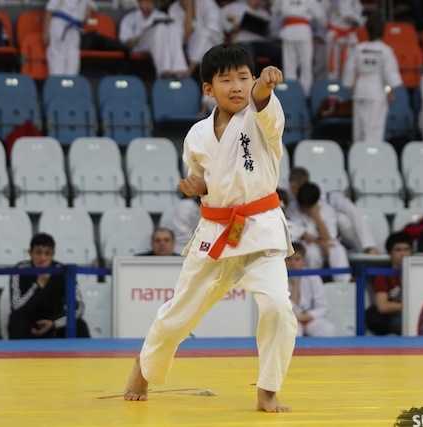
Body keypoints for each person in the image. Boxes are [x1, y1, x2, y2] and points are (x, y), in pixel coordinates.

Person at [123, 44, 297, 413]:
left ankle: (268, 388)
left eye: (244, 78)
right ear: (208, 89)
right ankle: (145, 366)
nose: (237, 86)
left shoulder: (262, 116)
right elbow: (206, 179)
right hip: (216, 231)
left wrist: (265, 84)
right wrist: (197, 185)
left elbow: (262, 99)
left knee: (278, 306)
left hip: (260, 229)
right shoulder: (197, 135)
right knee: (180, 312)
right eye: (227, 80)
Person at [8, 232, 90, 339]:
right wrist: (39, 285)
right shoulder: (19, 270)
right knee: (17, 323)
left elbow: (79, 306)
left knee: (79, 325)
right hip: (28, 322)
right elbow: (16, 307)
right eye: (38, 253)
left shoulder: (63, 271)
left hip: (54, 321)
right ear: (30, 253)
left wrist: (54, 323)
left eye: (47, 253)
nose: (42, 258)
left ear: (53, 254)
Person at [287, 167, 380, 255]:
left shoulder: (315, 191)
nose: (295, 191)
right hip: (324, 224)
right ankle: (360, 250)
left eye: (298, 188)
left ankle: (370, 246)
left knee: (352, 210)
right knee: (342, 220)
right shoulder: (290, 197)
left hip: (331, 199)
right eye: (293, 187)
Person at [342, 12, 402, 143]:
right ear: (383, 31)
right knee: (374, 129)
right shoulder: (385, 50)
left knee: (359, 129)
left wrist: (351, 87)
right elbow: (389, 74)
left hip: (360, 90)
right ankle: (371, 153)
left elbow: (349, 70)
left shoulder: (358, 48)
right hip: (377, 91)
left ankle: (359, 151)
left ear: (367, 30)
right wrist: (391, 91)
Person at [290, 181, 352, 282]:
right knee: (311, 252)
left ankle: (343, 283)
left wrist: (317, 216)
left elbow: (327, 238)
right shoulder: (293, 207)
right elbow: (301, 234)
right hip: (304, 243)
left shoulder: (327, 210)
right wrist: (320, 243)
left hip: (324, 243)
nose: (302, 208)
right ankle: (312, 282)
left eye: (305, 206)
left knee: (338, 250)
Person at [119, 0, 189, 78]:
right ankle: (164, 70)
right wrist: (143, 34)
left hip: (161, 46)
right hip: (140, 45)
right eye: (145, 2)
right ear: (139, 2)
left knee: (173, 27)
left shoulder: (162, 16)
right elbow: (126, 43)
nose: (148, 5)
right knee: (159, 29)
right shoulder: (129, 18)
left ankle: (179, 68)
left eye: (150, 2)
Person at [270, 0, 327, 96]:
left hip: (288, 32)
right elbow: (321, 17)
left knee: (290, 66)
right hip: (303, 32)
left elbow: (274, 12)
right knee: (305, 66)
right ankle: (305, 94)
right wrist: (324, 26)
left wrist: (276, 30)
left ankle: (291, 92)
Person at [366, 231, 412, 336]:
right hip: (395, 319)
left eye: (406, 250)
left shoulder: (418, 274)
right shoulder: (383, 275)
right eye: (398, 250)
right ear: (390, 253)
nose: (403, 254)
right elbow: (382, 306)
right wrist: (411, 306)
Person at [286, 241, 337, 337]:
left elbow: (323, 307)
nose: (293, 263)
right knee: (293, 332)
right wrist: (295, 285)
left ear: (304, 261)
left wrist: (306, 316)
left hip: (309, 318)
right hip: (288, 319)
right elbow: (284, 308)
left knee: (328, 329)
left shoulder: (313, 276)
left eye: (297, 259)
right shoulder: (279, 278)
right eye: (289, 259)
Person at [168, 0, 224, 78]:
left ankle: (190, 71)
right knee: (204, 44)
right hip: (192, 45)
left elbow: (213, 29)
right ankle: (208, 79)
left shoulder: (207, 2)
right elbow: (185, 36)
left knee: (204, 35)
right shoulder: (174, 8)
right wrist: (189, 9)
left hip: (215, 41)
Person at [220, 0, 282, 70]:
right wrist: (239, 26)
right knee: (249, 53)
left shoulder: (264, 13)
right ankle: (252, 75)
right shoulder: (235, 8)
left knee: (279, 50)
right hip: (243, 42)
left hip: (260, 42)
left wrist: (266, 30)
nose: (257, 1)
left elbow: (270, 34)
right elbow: (226, 26)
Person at [42, 0, 98, 76]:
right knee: (57, 61)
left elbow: (92, 6)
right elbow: (49, 10)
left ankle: (70, 83)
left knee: (73, 64)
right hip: (60, 26)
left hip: (75, 30)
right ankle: (57, 82)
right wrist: (45, 32)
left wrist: (89, 10)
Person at [323, 0, 365, 81]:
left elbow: (360, 17)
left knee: (348, 66)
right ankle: (332, 86)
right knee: (332, 68)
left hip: (349, 37)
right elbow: (322, 13)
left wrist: (354, 20)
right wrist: (329, 26)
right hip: (334, 34)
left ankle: (345, 86)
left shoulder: (355, 2)